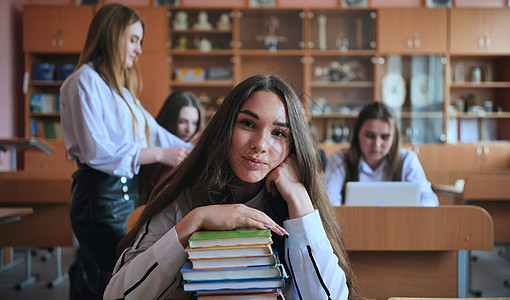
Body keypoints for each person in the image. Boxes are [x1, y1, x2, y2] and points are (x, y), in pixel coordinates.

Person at [104, 74, 359, 299]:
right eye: (248, 124)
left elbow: (330, 297)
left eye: (279, 133)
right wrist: (195, 221)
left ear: (293, 147)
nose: (260, 144)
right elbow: (117, 295)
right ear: (225, 127)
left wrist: (297, 194)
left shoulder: (296, 202)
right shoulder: (183, 196)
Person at [59, 3, 192, 299]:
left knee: (122, 273)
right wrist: (159, 154)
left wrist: (198, 146)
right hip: (99, 200)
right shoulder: (83, 82)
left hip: (125, 197)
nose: (139, 49)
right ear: (111, 35)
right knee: (119, 275)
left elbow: (157, 134)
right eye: (133, 39)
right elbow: (97, 152)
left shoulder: (123, 93)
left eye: (140, 41)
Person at [324, 102, 439, 207]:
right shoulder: (340, 158)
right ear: (357, 133)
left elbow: (429, 200)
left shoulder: (407, 159)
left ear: (394, 138)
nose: (377, 144)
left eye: (385, 137)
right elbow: (328, 202)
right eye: (369, 136)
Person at [139, 91, 202, 203]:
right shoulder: (147, 147)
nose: (189, 129)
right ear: (170, 119)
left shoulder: (198, 152)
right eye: (182, 122)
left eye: (194, 123)